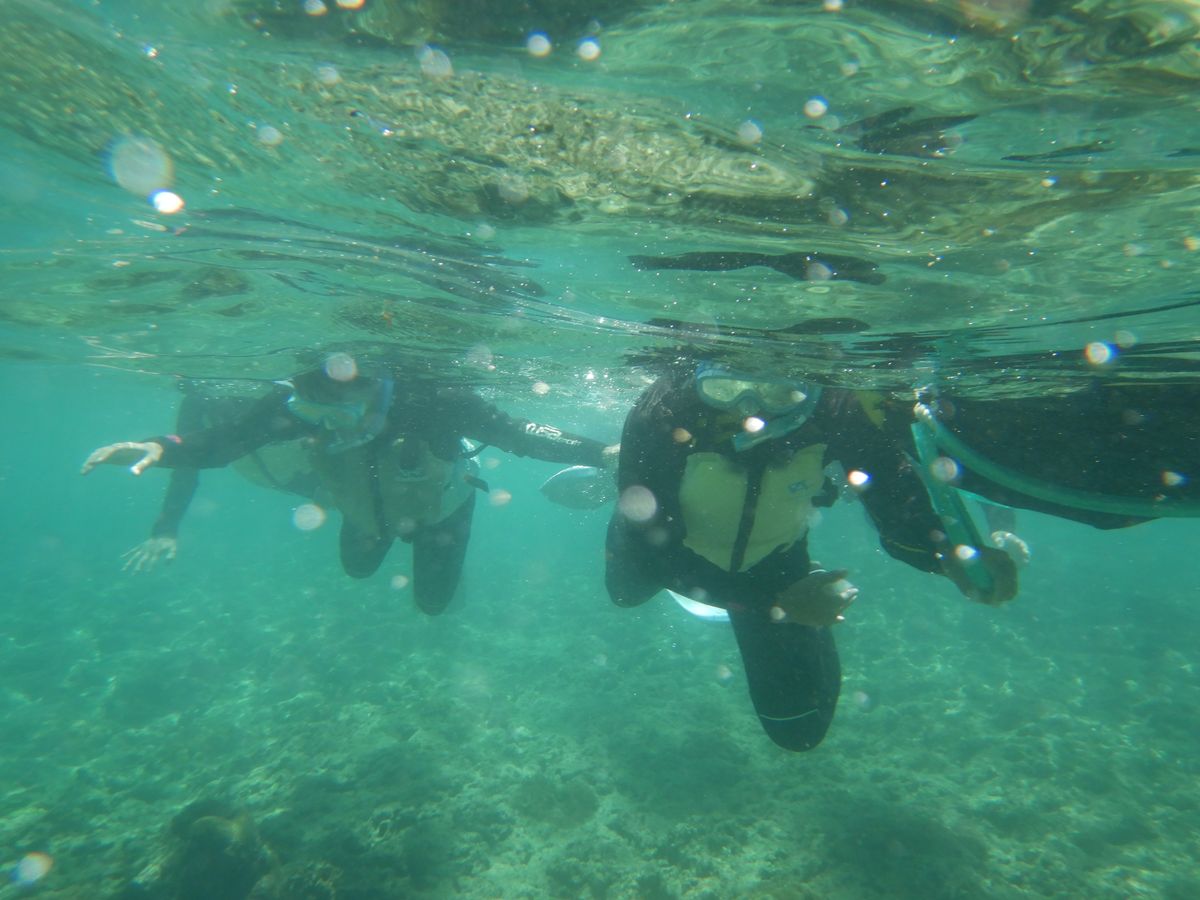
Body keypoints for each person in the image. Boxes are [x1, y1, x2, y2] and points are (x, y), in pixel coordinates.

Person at [605, 360, 1017, 752]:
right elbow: (649, 555)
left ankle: (793, 588)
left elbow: (895, 499)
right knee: (624, 592)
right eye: (725, 388)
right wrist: (778, 603)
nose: (750, 409)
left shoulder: (837, 409)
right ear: (698, 378)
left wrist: (944, 554)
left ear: (808, 385)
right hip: (674, 550)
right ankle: (624, 499)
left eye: (779, 392)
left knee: (798, 729)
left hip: (773, 566)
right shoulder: (662, 410)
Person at [84, 362, 618, 614]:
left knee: (433, 603)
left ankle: (442, 575)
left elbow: (518, 433)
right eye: (317, 411)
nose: (330, 422)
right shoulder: (302, 403)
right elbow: (228, 441)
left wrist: (598, 453)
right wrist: (161, 448)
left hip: (442, 512)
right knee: (357, 569)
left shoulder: (434, 397)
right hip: (364, 512)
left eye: (344, 410)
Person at [121, 379, 324, 573]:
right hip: (277, 480)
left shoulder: (284, 392)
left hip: (317, 479)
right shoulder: (199, 399)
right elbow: (187, 465)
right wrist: (166, 528)